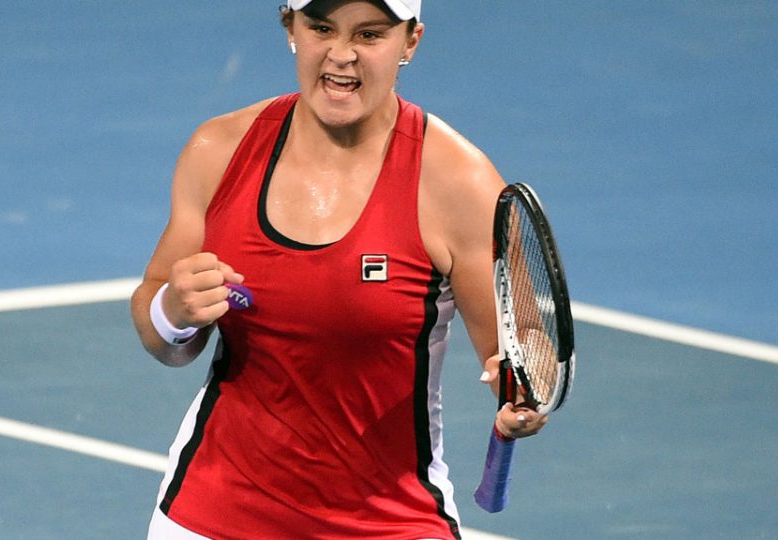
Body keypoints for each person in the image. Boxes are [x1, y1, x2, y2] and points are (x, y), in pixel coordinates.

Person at [131, 1, 547, 538]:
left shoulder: (458, 183)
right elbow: (162, 332)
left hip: (390, 521)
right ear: (291, 29)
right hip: (212, 515)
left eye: (370, 34)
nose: (342, 55)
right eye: (321, 28)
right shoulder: (219, 150)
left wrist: (524, 392)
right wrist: (173, 311)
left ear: (411, 42)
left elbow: (520, 347)